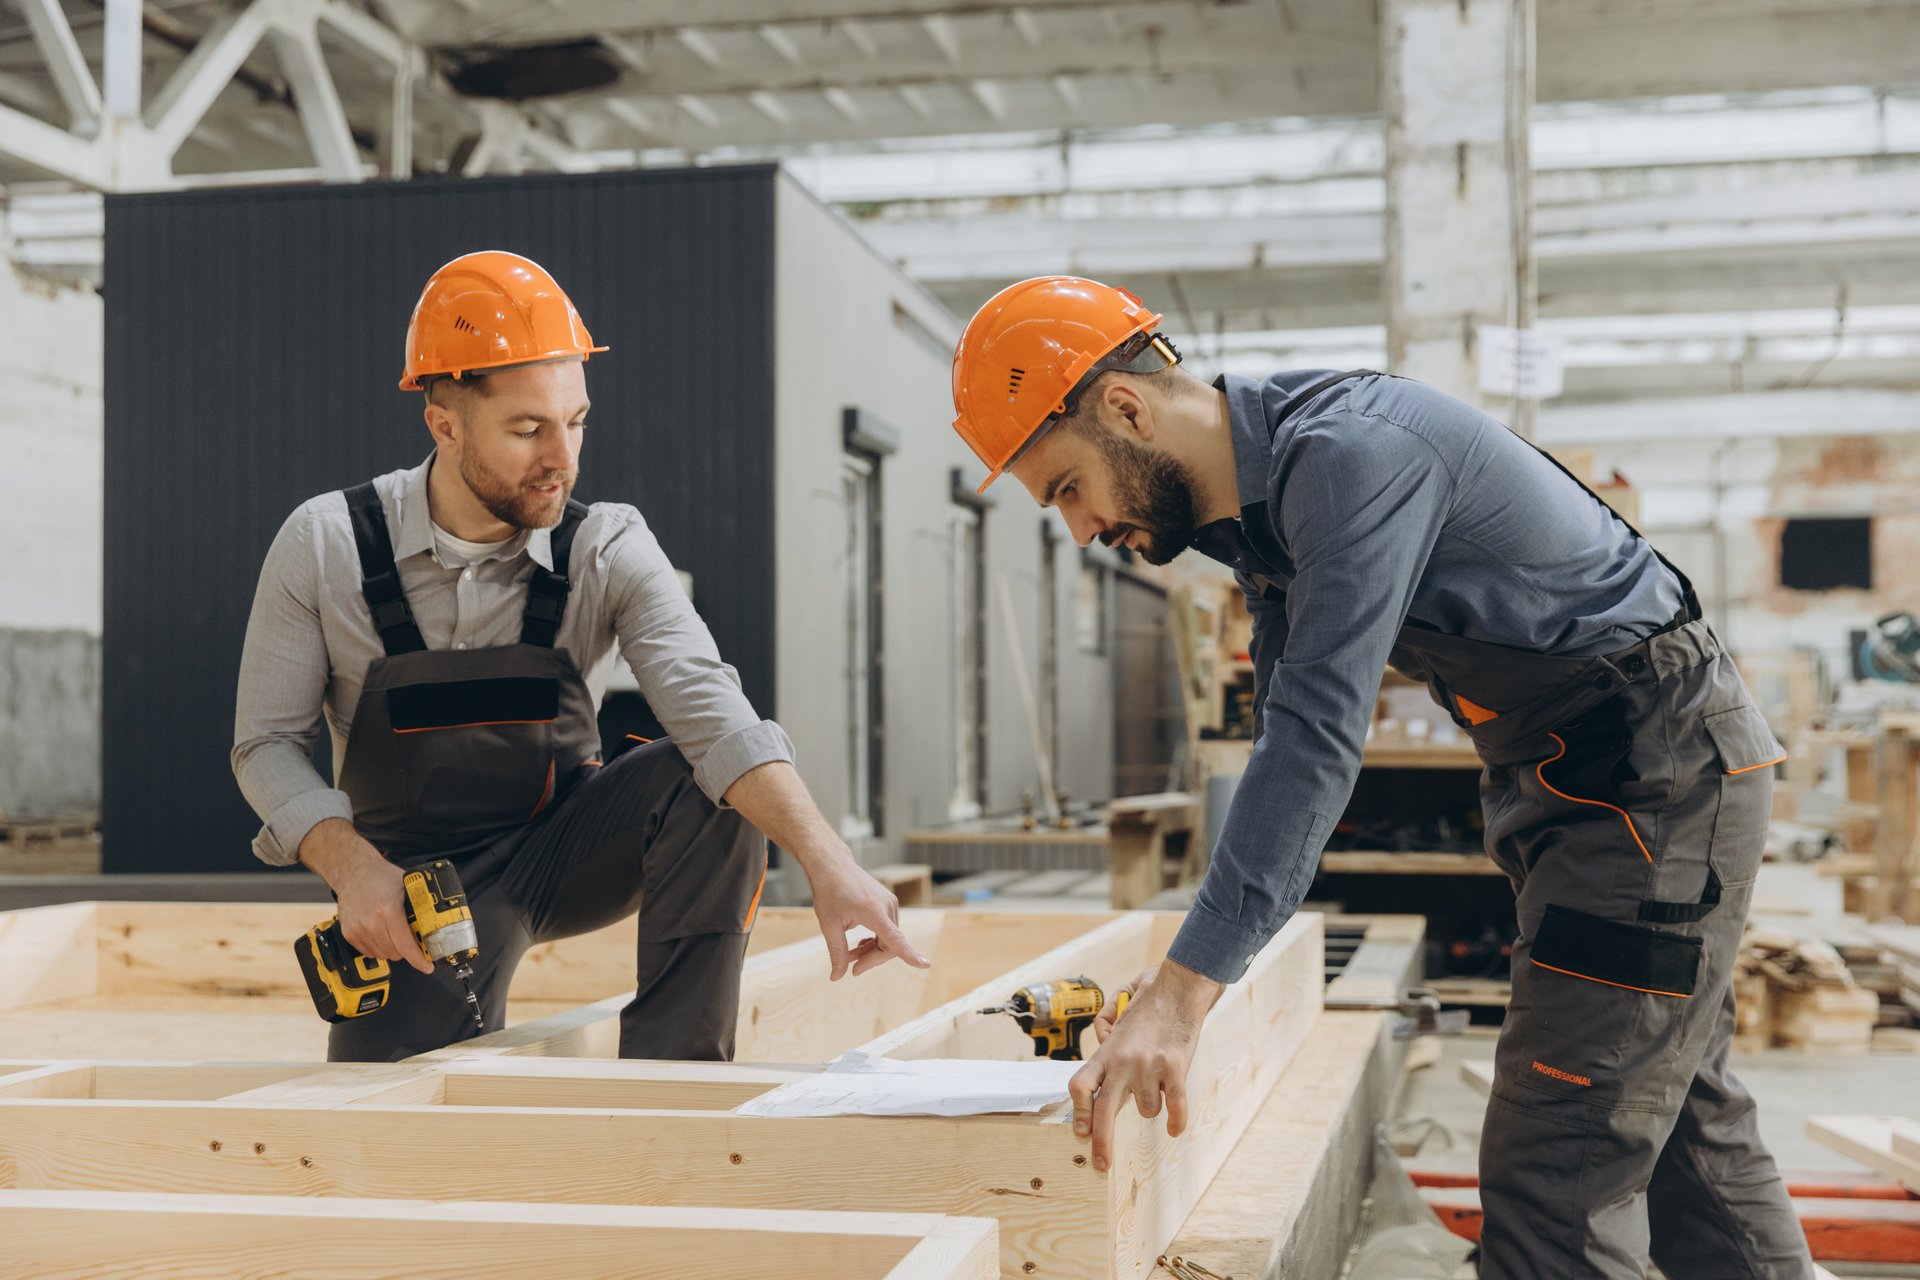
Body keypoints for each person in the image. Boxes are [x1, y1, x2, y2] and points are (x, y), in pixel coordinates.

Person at [947, 276, 1813, 1279]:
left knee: (1557, 1167)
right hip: (1593, 784)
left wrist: (1183, 995)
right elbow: (1283, 741)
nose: (1080, 529)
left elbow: (1317, 739)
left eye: (1064, 488)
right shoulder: (1258, 525)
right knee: (1682, 1133)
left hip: (1650, 785)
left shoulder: (1353, 458)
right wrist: (1191, 968)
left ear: (1127, 408)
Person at [234, 250, 926, 1063]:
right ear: (445, 424)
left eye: (577, 420)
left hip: (565, 850)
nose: (562, 456)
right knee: (393, 1118)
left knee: (706, 788)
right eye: (528, 429)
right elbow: (267, 745)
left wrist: (827, 860)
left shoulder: (607, 545)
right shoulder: (324, 546)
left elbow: (713, 711)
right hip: (416, 890)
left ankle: (674, 1084)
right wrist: (351, 869)